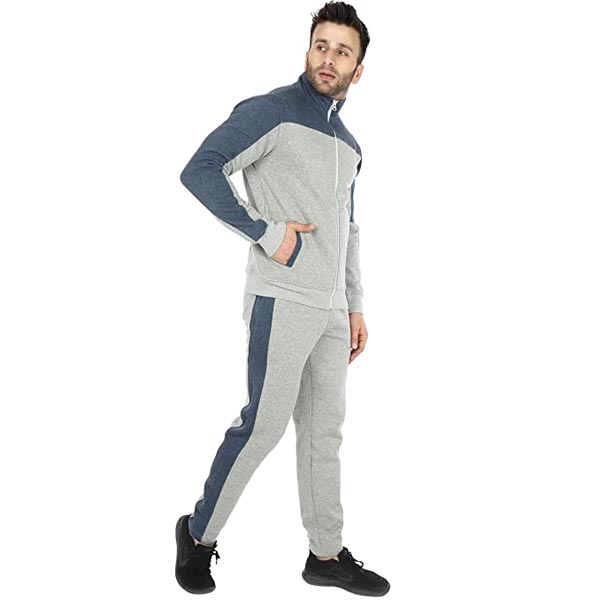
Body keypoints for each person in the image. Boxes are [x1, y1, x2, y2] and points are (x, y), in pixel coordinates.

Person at [174, 2, 389, 596]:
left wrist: (354, 305)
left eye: (342, 51)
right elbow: (201, 169)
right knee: (263, 427)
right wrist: (268, 234)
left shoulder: (350, 145)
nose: (329, 58)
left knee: (324, 436)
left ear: (358, 70)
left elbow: (347, 229)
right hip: (282, 297)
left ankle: (326, 555)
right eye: (322, 45)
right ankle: (197, 535)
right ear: (308, 50)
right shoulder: (270, 111)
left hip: (330, 311)